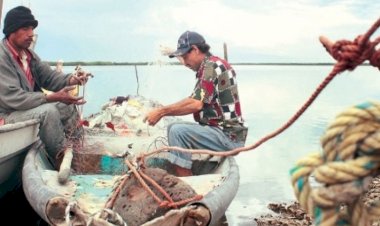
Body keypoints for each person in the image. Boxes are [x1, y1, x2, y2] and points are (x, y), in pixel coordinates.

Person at [144, 31, 248, 176]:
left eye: (186, 57)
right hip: (220, 131)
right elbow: (196, 97)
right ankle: (186, 171)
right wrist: (177, 54)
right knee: (173, 126)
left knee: (177, 131)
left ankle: (187, 184)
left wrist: (161, 112)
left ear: (195, 50)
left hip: (228, 137)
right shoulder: (210, 65)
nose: (185, 63)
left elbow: (195, 103)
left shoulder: (212, 67)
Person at [0, 6, 89, 169]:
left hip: (25, 109)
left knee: (67, 107)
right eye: (25, 28)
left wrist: (73, 79)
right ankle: (61, 161)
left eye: (32, 28)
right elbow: (13, 97)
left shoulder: (28, 55)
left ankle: (79, 152)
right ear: (11, 30)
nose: (31, 34)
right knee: (49, 112)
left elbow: (49, 77)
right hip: (7, 114)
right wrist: (49, 98)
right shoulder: (2, 57)